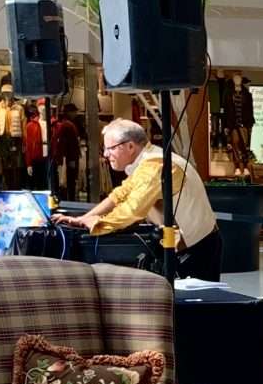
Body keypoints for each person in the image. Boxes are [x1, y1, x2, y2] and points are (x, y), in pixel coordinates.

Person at [56, 119, 222, 280]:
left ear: (130, 146)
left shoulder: (155, 165)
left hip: (197, 247)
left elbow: (132, 209)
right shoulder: (148, 160)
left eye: (110, 148)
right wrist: (83, 219)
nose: (106, 154)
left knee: (195, 306)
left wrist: (98, 224)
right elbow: (120, 195)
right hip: (189, 244)